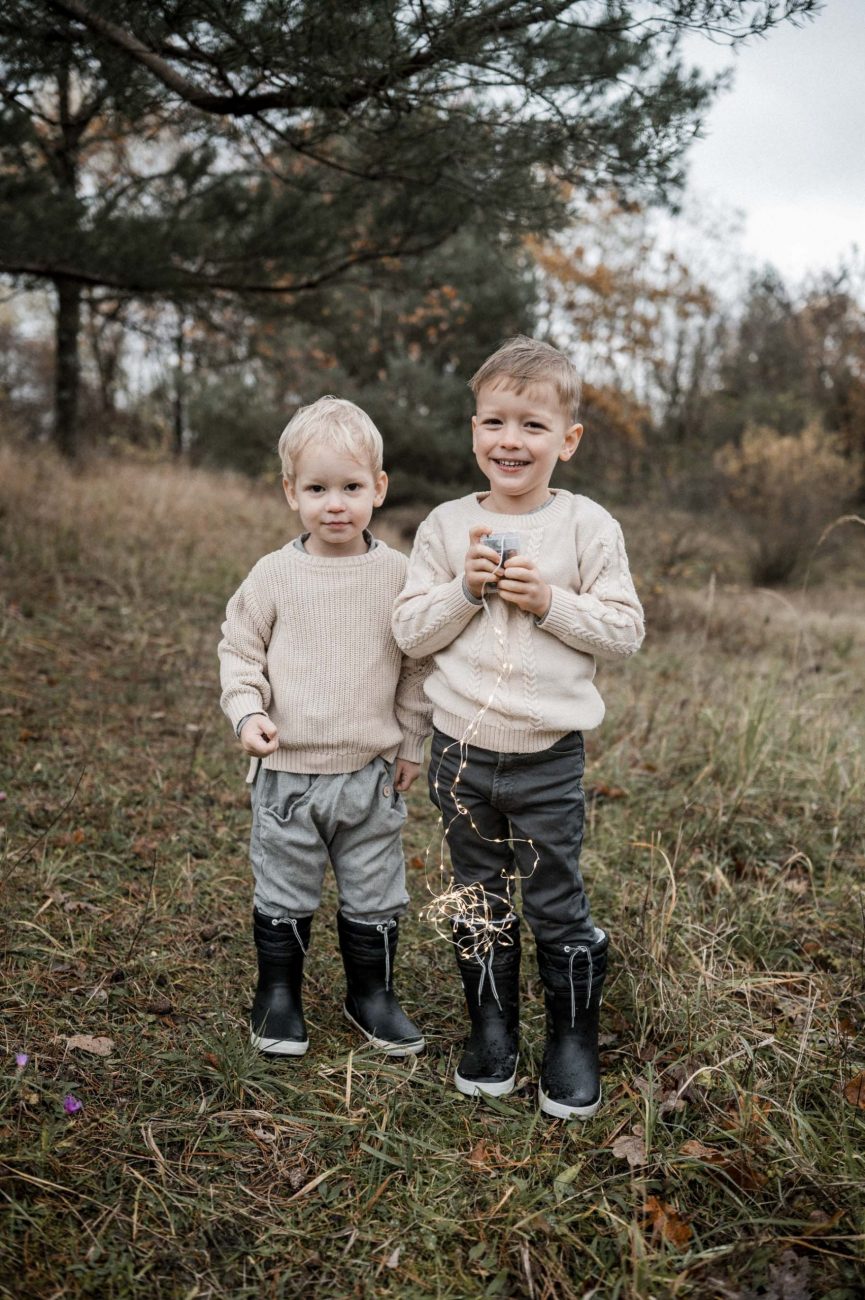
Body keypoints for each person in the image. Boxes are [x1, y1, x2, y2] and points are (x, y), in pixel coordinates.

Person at [392, 337, 644, 1118]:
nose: (511, 440)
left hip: (546, 759)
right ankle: (491, 1025)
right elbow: (407, 631)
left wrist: (551, 603)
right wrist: (463, 592)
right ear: (473, 432)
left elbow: (625, 631)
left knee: (555, 900)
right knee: (478, 896)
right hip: (460, 755)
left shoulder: (586, 528)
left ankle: (570, 1039)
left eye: (532, 425)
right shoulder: (442, 527)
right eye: (495, 422)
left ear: (566, 440)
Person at [219, 396, 431, 1059]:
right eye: (317, 489)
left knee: (374, 889)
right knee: (285, 886)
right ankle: (278, 993)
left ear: (378, 489)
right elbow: (240, 652)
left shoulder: (399, 576)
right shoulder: (274, 575)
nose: (334, 503)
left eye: (351, 487)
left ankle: (370, 993)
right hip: (287, 776)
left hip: (369, 774)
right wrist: (248, 712)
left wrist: (411, 740)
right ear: (291, 492)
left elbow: (417, 666)